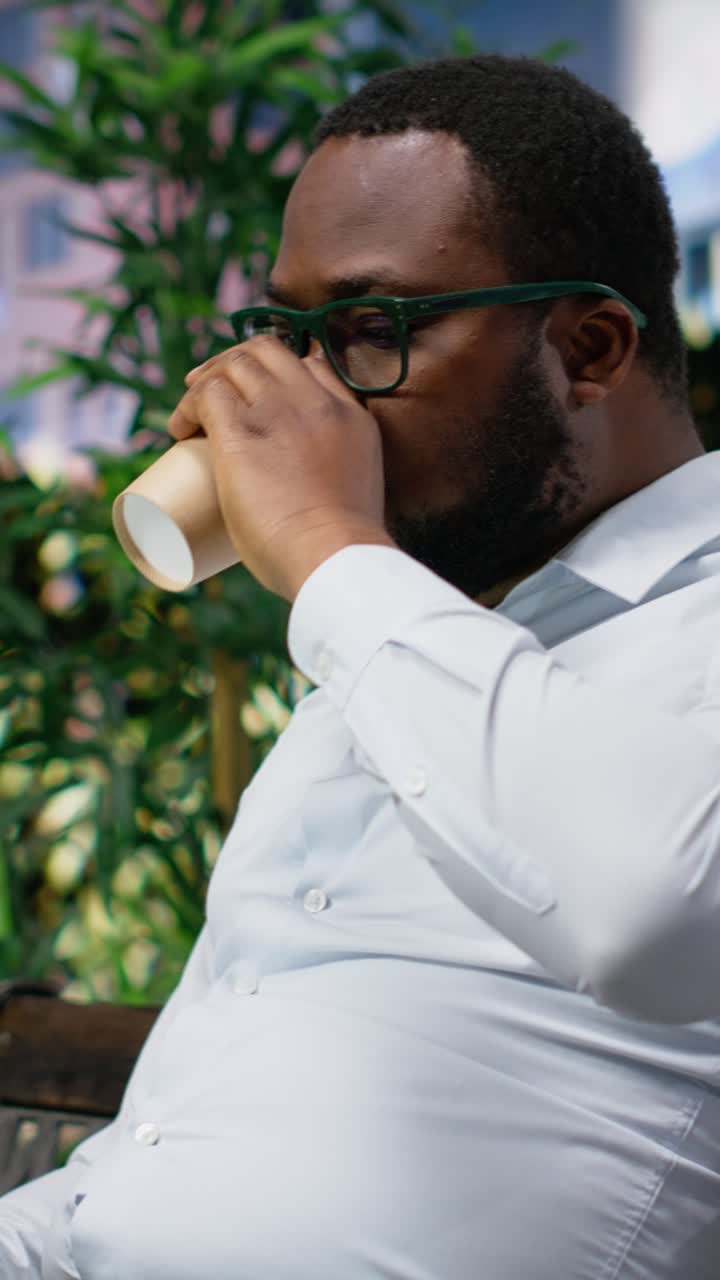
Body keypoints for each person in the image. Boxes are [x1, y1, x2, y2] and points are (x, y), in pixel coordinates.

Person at [2, 52, 720, 1280]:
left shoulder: (382, 607)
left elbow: (647, 917)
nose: (310, 394)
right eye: (288, 335)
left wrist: (330, 549)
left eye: (369, 331)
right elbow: (157, 1159)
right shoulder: (389, 651)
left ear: (590, 350)